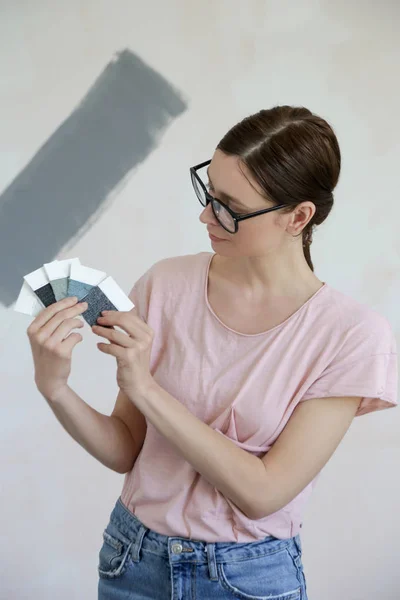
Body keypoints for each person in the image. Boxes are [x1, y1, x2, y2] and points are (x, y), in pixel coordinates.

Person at [27, 105, 398, 600]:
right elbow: (124, 451)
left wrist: (145, 387)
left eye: (229, 206)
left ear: (298, 217)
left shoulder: (351, 336)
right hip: (131, 561)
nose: (206, 215)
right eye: (208, 192)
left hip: (248, 579)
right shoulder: (166, 283)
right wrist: (54, 387)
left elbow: (262, 493)